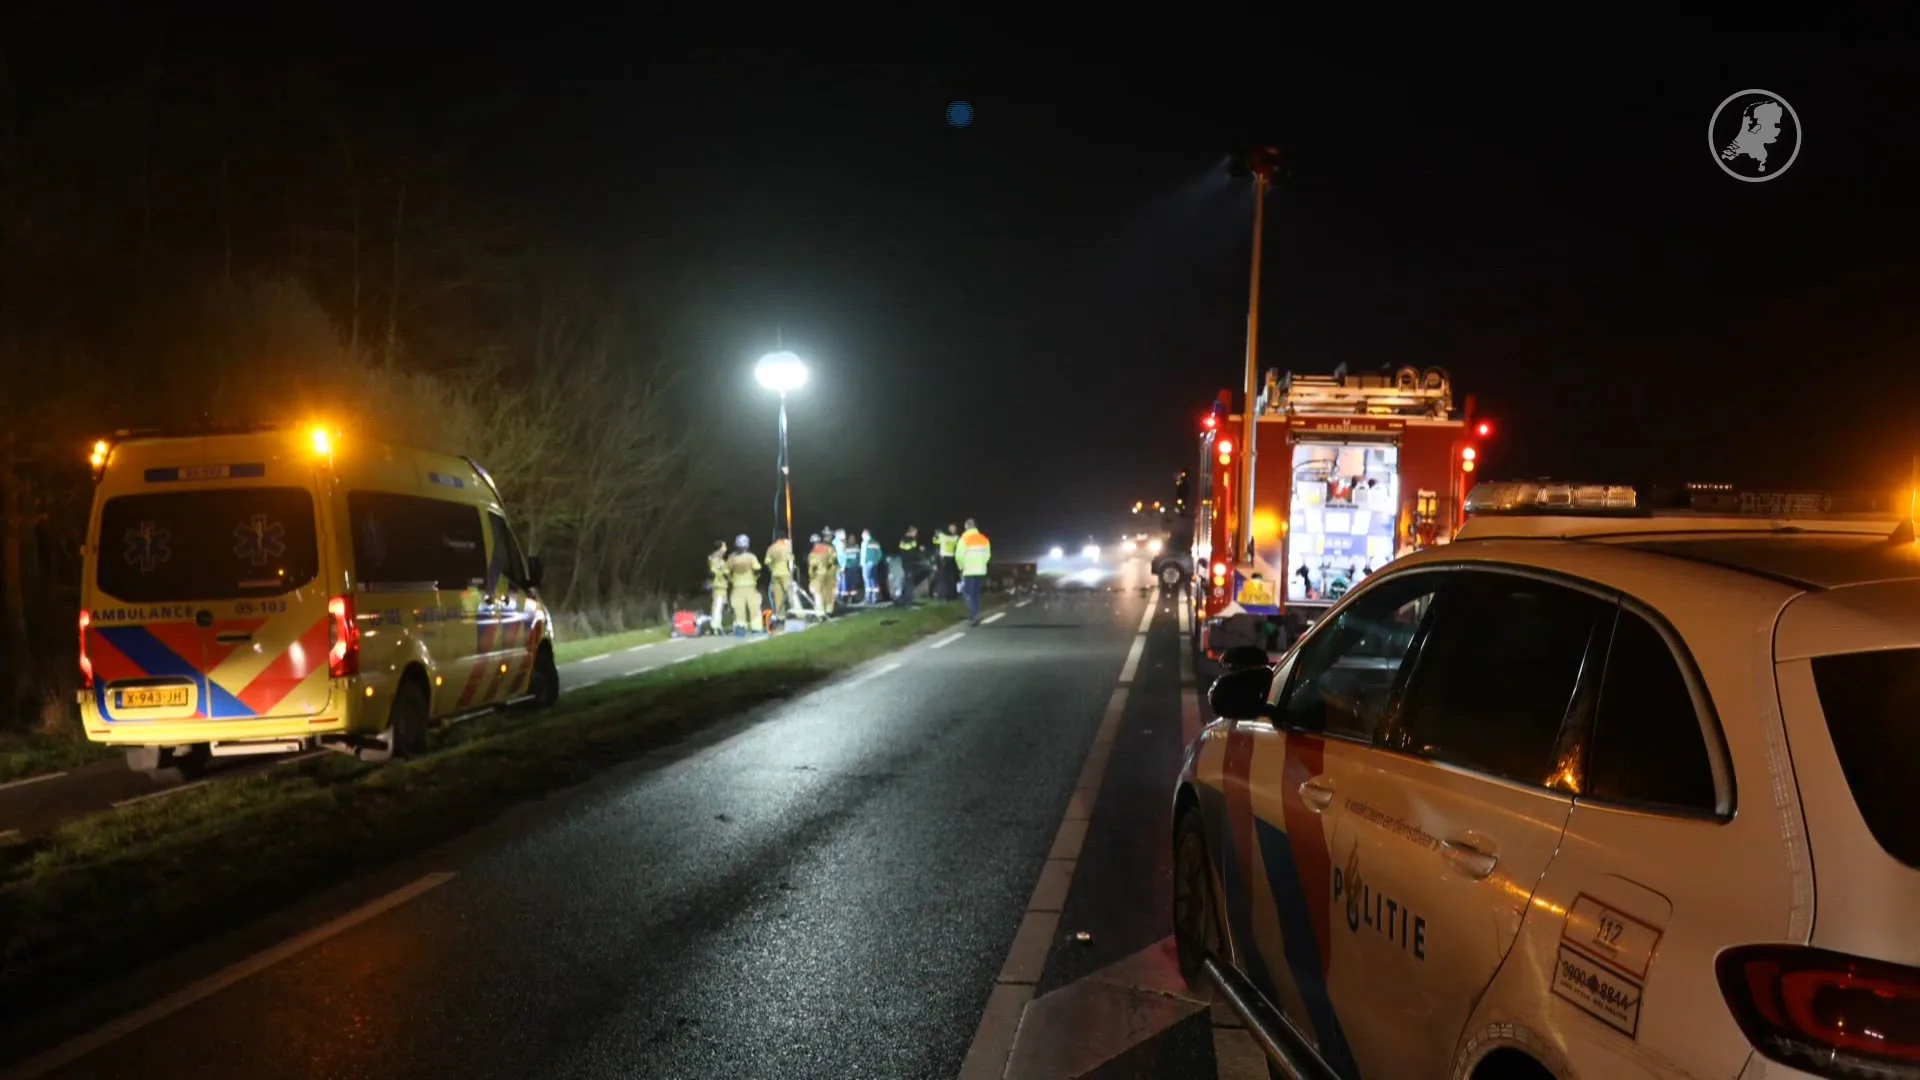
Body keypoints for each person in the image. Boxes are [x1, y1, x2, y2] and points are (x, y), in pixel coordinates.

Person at [954, 517, 992, 625]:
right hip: (981, 570)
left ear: (966, 526)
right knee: (975, 593)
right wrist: (981, 564)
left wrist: (961, 567)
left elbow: (959, 555)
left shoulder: (964, 538)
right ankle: (974, 613)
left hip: (969, 570)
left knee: (967, 593)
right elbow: (988, 555)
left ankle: (975, 614)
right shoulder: (983, 538)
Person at [725, 534, 763, 637]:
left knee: (738, 609)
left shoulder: (732, 558)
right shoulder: (751, 557)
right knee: (754, 608)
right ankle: (756, 628)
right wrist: (755, 578)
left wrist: (731, 580)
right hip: (750, 585)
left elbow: (726, 572)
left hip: (737, 586)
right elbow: (757, 569)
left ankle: (740, 628)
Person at [765, 531, 797, 616]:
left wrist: (772, 569)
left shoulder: (771, 548)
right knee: (791, 593)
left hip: (775, 573)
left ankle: (780, 615)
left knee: (778, 596)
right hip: (785, 572)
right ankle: (798, 613)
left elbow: (767, 561)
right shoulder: (786, 547)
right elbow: (790, 560)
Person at [808, 532, 839, 617]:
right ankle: (829, 611)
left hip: (818, 575)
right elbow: (835, 560)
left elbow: (813, 566)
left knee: (818, 593)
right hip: (830, 574)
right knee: (829, 593)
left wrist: (811, 576)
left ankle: (820, 613)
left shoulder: (813, 552)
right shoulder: (829, 548)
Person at [706, 540, 731, 633]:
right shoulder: (713, 559)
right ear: (719, 548)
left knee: (721, 605)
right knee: (717, 604)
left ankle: (718, 624)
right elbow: (713, 572)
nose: (726, 549)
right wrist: (724, 573)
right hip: (718, 585)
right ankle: (715, 626)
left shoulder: (721, 560)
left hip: (723, 585)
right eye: (724, 547)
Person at [895, 526, 922, 605]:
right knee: (909, 583)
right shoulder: (907, 540)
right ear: (911, 532)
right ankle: (908, 601)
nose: (916, 534)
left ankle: (904, 599)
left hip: (909, 563)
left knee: (908, 581)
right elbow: (910, 551)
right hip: (908, 563)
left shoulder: (907, 540)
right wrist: (917, 550)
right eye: (915, 533)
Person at [933, 523, 959, 600]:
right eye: (951, 528)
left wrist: (937, 534)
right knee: (944, 578)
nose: (953, 529)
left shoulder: (952, 537)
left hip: (951, 559)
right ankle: (944, 595)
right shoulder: (953, 537)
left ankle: (951, 595)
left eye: (954, 528)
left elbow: (935, 540)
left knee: (951, 578)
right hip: (944, 559)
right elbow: (935, 542)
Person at [859, 528, 883, 605]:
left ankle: (868, 598)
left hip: (867, 564)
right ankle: (875, 598)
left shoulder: (865, 542)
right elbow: (879, 554)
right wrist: (875, 561)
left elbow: (864, 555)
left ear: (866, 534)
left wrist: (862, 563)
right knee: (873, 579)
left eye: (862, 534)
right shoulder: (875, 542)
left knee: (867, 580)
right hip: (873, 564)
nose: (861, 536)